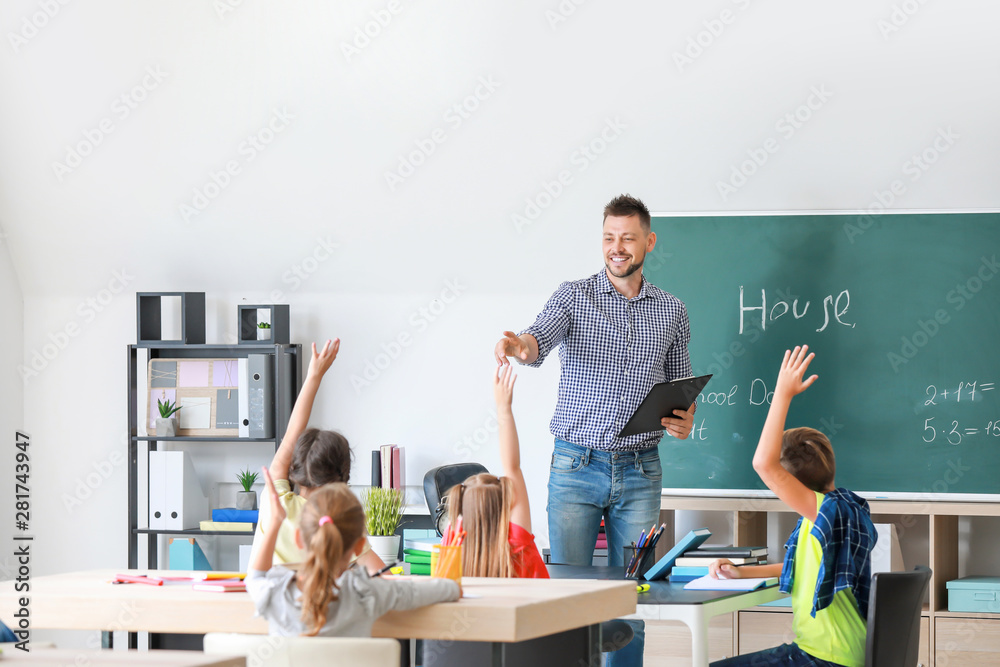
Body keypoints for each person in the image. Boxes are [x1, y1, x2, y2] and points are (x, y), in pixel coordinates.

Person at [494, 194, 696, 665]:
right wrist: (517, 345)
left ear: (648, 241)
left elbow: (679, 388)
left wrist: (684, 422)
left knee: (632, 599)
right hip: (575, 467)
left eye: (627, 238)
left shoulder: (672, 310)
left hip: (641, 470)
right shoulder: (573, 296)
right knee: (568, 598)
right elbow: (536, 339)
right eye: (609, 237)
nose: (617, 247)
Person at [709, 346, 877, 667]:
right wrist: (740, 572)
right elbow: (797, 568)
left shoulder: (827, 512)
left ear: (788, 480)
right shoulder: (832, 514)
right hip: (840, 654)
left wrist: (782, 395)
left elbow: (763, 463)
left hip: (825, 658)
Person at [247, 472, 460, 636]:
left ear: (298, 540)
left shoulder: (275, 594)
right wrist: (452, 585)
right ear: (360, 546)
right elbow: (445, 589)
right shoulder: (368, 592)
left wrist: (274, 522)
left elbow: (255, 576)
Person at [250, 338, 383, 571]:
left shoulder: (277, 506)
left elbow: (292, 434)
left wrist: (314, 375)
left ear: (294, 469)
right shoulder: (340, 523)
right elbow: (385, 578)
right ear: (343, 478)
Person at [444, 365, 547, 578]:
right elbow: (512, 467)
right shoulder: (518, 545)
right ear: (505, 508)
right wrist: (504, 408)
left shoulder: (452, 547)